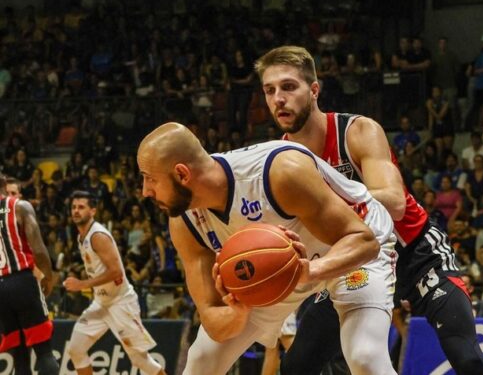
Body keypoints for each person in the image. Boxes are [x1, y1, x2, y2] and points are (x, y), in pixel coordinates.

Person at [256, 45, 483, 375]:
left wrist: (325, 205)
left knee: (465, 355)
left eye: (288, 87)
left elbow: (394, 202)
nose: (278, 98)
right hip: (358, 264)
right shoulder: (279, 160)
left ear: (314, 90)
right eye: (269, 90)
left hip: (415, 252)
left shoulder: (357, 131)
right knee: (297, 365)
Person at [137, 122, 397, 375]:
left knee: (365, 357)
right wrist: (237, 313)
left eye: (150, 179)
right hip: (279, 269)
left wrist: (311, 270)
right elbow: (212, 318)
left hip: (350, 247)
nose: (145, 191)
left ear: (182, 174)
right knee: (201, 361)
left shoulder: (279, 172)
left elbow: (364, 241)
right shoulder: (184, 222)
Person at [63, 191, 166, 375]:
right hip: (101, 303)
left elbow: (116, 271)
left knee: (140, 360)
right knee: (76, 349)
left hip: (121, 302)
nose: (76, 211)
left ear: (93, 211)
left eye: (81, 207)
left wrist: (82, 284)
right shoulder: (81, 236)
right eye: (73, 207)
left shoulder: (98, 236)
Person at [0, 174, 59, 375]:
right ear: (3, 186)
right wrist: (48, 278)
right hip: (22, 280)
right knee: (44, 352)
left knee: (19, 357)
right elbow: (39, 250)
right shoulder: (19, 206)